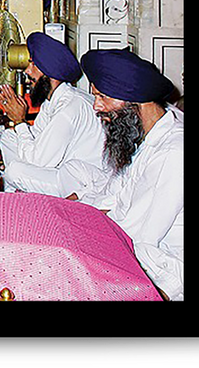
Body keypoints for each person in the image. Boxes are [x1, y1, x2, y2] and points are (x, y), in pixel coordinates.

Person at [63, 48, 184, 301]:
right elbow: (114, 200)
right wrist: (69, 216)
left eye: (103, 97)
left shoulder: (174, 151)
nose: (96, 107)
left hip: (162, 271)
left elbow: (138, 235)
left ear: (134, 100)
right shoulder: (143, 133)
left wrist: (75, 237)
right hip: (135, 249)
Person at [0, 32, 106, 195]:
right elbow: (36, 139)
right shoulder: (53, 99)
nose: (27, 71)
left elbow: (40, 162)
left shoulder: (69, 108)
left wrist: (20, 121)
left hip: (80, 182)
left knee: (14, 171)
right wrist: (18, 123)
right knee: (9, 138)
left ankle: (16, 192)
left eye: (33, 65)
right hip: (60, 169)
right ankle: (18, 190)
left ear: (49, 72)